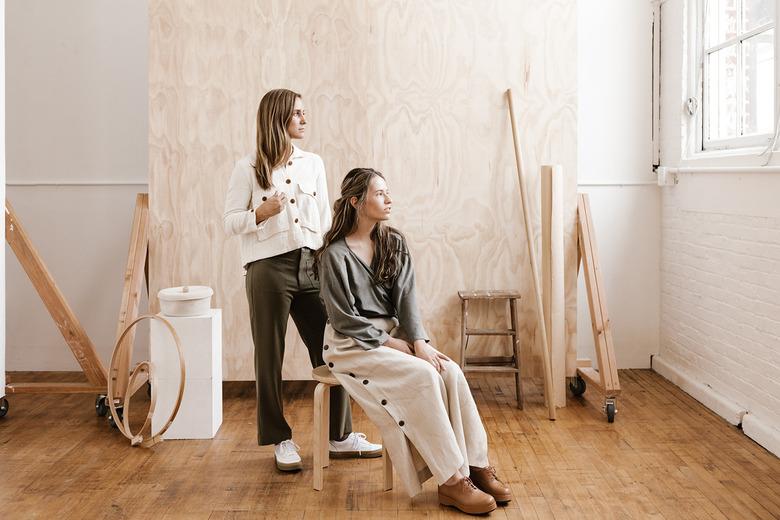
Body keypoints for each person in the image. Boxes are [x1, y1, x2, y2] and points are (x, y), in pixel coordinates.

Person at [315, 168, 512, 515]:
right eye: (380, 194)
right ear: (356, 201)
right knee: (423, 377)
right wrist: (393, 345)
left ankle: (476, 465)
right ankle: (451, 481)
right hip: (350, 345)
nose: (389, 199)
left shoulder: (394, 242)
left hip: (393, 338)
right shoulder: (334, 255)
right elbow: (343, 319)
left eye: (388, 192)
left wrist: (419, 342)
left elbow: (407, 299)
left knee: (448, 371)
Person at [223, 89, 381, 471]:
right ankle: (280, 439)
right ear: (279, 118)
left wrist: (336, 264)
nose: (304, 119)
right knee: (268, 355)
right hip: (266, 269)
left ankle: (339, 436)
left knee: (335, 344)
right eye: (298, 114)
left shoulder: (314, 163)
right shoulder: (248, 168)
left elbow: (325, 220)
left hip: (312, 265)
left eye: (304, 113)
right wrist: (260, 213)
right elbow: (229, 222)